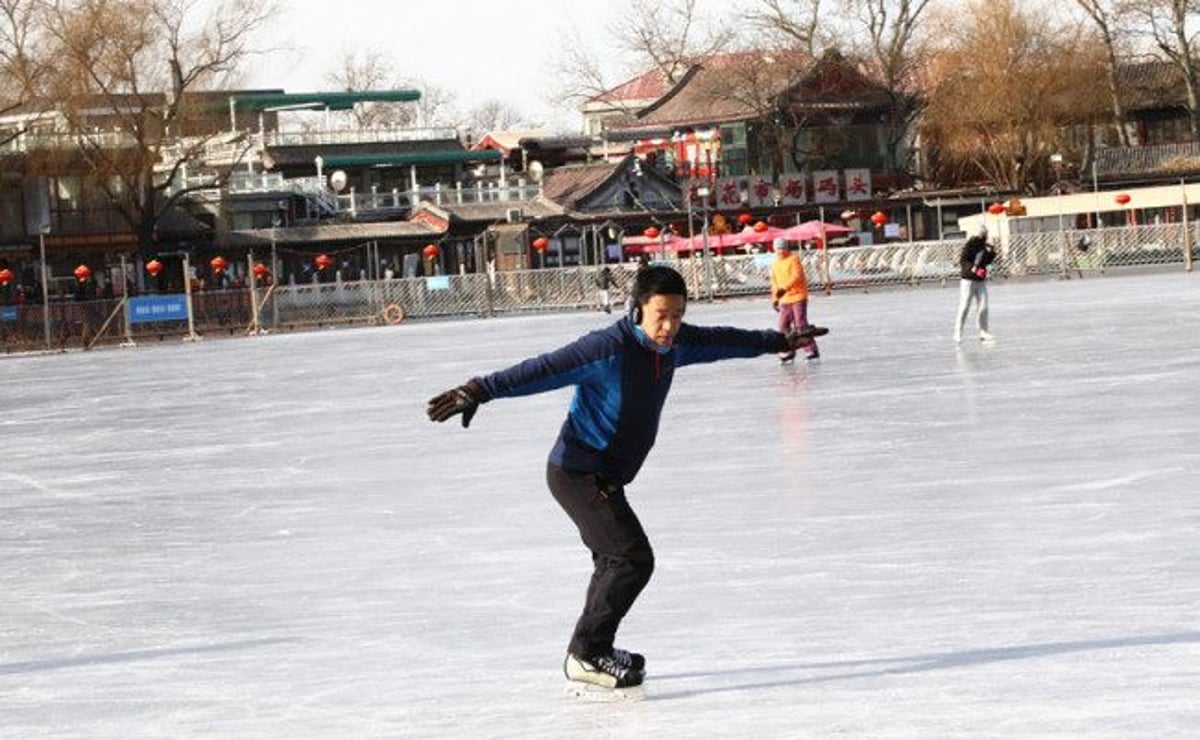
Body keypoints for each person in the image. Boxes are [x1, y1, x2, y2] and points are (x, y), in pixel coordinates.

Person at [426, 266, 827, 692]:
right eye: (661, 314)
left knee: (613, 560)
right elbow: (542, 369)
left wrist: (779, 341)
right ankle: (586, 654)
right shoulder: (607, 348)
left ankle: (591, 649)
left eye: (678, 313)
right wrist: (478, 390)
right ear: (636, 309)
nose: (670, 325)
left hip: (604, 475)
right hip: (577, 470)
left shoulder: (675, 343)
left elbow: (723, 340)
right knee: (631, 559)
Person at [768, 236, 819, 362]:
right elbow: (774, 283)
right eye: (778, 249)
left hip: (798, 296)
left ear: (787, 248)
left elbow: (797, 276)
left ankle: (811, 350)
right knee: (783, 326)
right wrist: (775, 298)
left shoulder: (793, 259)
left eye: (783, 248)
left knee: (800, 324)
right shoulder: (774, 264)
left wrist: (785, 288)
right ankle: (787, 350)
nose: (780, 251)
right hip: (784, 299)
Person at [954, 223, 997, 343]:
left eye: (985, 235)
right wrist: (973, 269)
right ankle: (958, 332)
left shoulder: (984, 245)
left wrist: (991, 252)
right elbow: (963, 260)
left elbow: (986, 261)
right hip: (968, 280)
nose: (985, 237)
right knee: (965, 306)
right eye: (983, 234)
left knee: (983, 306)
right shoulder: (970, 244)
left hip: (980, 280)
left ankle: (983, 331)